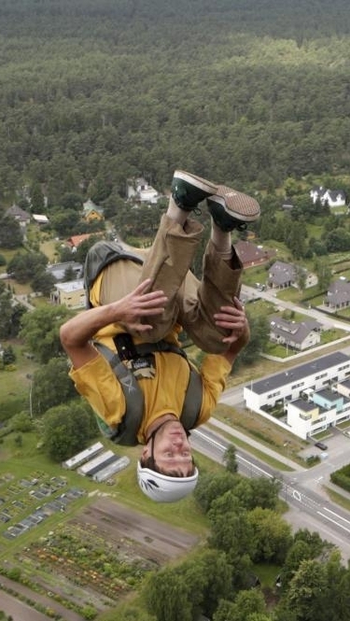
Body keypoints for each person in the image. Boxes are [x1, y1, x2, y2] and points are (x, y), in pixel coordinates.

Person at [59, 170, 260, 502]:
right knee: (219, 335)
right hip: (167, 278)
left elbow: (69, 337)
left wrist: (117, 311)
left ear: (145, 454)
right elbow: (233, 349)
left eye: (169, 456)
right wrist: (241, 326)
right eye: (186, 458)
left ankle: (178, 206)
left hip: (118, 276)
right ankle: (222, 229)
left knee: (149, 322)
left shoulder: (120, 409)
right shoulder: (197, 409)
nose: (180, 447)